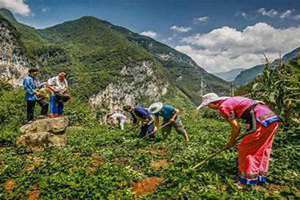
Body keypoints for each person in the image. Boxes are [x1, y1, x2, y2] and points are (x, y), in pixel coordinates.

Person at [197, 93, 281, 187]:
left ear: (212, 104)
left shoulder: (223, 107)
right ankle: (260, 177)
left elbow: (236, 127)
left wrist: (231, 141)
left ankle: (246, 181)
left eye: (208, 106)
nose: (209, 108)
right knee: (262, 148)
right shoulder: (232, 100)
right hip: (272, 118)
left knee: (245, 149)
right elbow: (248, 112)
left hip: (260, 121)